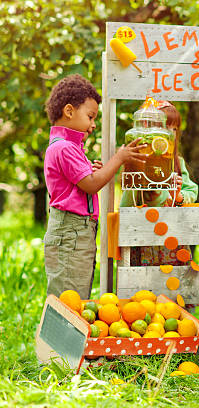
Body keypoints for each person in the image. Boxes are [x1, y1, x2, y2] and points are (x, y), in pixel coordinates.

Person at [43, 74, 146, 299]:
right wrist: (117, 160)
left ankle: (69, 332)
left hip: (76, 231)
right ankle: (61, 334)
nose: (92, 125)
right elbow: (90, 186)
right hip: (71, 231)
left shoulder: (69, 147)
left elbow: (82, 183)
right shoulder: (64, 148)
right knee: (69, 298)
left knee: (77, 291)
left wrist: (99, 170)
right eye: (90, 116)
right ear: (69, 111)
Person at [120, 100, 198, 266]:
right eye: (165, 128)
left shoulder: (178, 163)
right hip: (146, 235)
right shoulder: (137, 162)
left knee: (174, 282)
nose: (170, 133)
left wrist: (178, 196)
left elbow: (191, 191)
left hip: (173, 236)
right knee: (145, 285)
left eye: (174, 129)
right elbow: (127, 203)